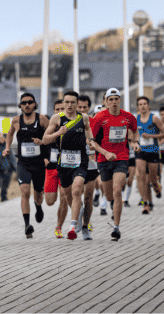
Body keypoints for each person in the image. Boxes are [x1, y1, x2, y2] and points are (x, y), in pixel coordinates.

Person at [42, 90, 99, 241]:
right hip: (64, 163)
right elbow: (45, 139)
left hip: (81, 161)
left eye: (73, 102)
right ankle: (79, 217)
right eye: (66, 102)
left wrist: (94, 146)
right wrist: (57, 133)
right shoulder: (56, 118)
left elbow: (90, 137)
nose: (69, 105)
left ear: (77, 104)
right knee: (68, 195)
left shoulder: (84, 118)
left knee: (77, 189)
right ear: (63, 103)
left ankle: (73, 226)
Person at [91, 88, 137, 241]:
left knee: (118, 191)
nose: (113, 102)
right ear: (105, 102)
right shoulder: (99, 117)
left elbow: (134, 131)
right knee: (109, 195)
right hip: (104, 160)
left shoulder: (128, 117)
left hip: (121, 157)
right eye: (110, 100)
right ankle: (111, 204)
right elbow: (91, 140)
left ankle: (116, 228)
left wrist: (134, 142)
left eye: (116, 99)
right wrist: (104, 153)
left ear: (120, 101)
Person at [3, 92, 50, 239]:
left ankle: (38, 207)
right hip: (23, 162)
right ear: (20, 106)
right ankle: (27, 225)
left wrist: (48, 156)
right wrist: (7, 147)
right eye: (24, 103)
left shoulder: (42, 119)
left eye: (30, 102)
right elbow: (9, 134)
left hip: (39, 162)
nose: (27, 105)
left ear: (34, 104)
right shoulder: (16, 121)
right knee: (24, 191)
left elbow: (50, 136)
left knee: (38, 193)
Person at [134, 97, 164, 214]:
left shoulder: (154, 118)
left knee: (153, 179)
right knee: (142, 177)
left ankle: (156, 186)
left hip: (153, 151)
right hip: (140, 152)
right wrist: (135, 142)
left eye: (144, 104)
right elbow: (134, 135)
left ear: (148, 106)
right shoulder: (136, 119)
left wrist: (151, 136)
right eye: (140, 104)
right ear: (137, 107)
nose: (142, 106)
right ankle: (146, 204)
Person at [77, 95, 98, 239]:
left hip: (91, 164)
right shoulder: (69, 122)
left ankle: (85, 226)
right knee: (74, 194)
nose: (82, 110)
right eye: (80, 107)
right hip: (75, 163)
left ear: (89, 108)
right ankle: (78, 215)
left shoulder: (94, 122)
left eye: (85, 107)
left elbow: (100, 140)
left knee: (88, 197)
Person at [45, 99, 64, 236]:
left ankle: (59, 227)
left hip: (66, 167)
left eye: (62, 109)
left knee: (64, 197)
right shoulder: (50, 125)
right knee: (50, 201)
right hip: (51, 167)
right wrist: (44, 158)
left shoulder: (71, 125)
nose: (60, 112)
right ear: (53, 111)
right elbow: (44, 141)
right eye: (57, 109)